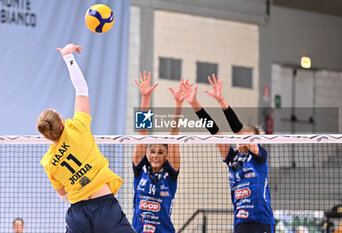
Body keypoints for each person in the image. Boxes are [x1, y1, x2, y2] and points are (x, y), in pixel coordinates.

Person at [38, 43, 136, 233]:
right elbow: (81, 88)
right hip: (104, 207)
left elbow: (63, 194)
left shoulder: (49, 162)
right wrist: (68, 56)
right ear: (63, 122)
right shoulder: (78, 128)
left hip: (78, 213)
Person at [183, 74, 276, 233]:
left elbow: (238, 130)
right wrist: (195, 104)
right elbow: (214, 131)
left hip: (261, 223)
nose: (243, 137)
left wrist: (221, 101)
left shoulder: (259, 157)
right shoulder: (232, 158)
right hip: (240, 223)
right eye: (242, 135)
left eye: (248, 136)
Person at [132, 71, 184, 233]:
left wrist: (178, 104)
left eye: (160, 152)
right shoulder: (140, 169)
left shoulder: (170, 172)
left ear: (166, 155)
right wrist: (145, 98)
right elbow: (142, 132)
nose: (155, 155)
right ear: (147, 153)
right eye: (152, 151)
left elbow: (173, 136)